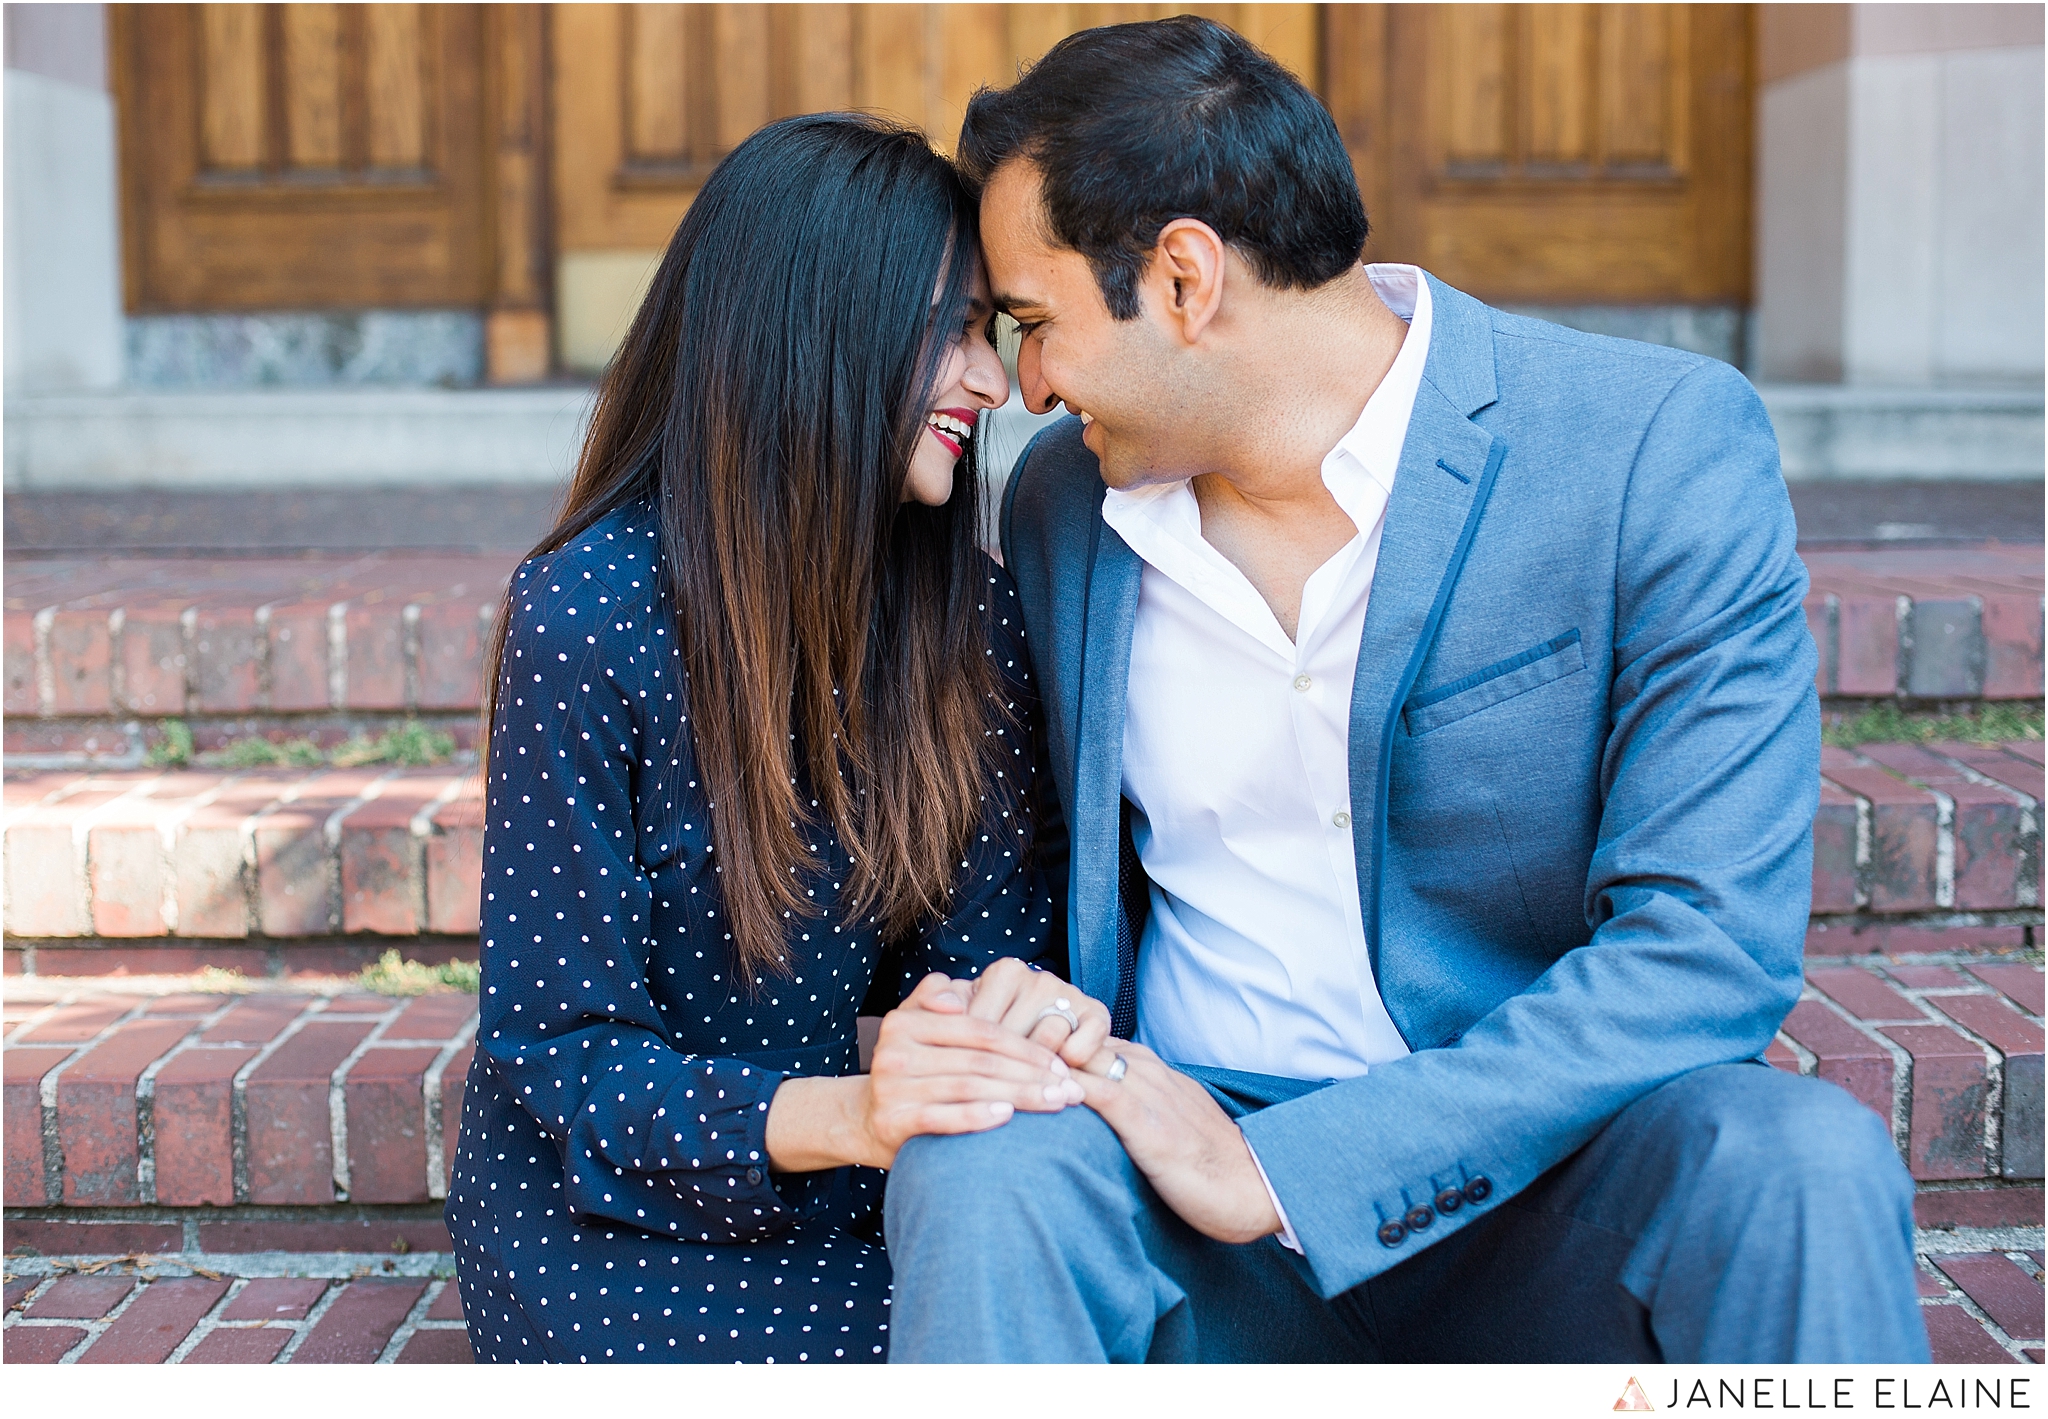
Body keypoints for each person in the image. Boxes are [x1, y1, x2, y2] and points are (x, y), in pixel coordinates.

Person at [880, 18, 1930, 1362]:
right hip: (1181, 1195)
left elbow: (1708, 951)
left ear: (1187, 280)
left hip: (1547, 1176)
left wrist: (1287, 1171)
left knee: (1797, 1161)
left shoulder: (1647, 451)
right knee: (983, 1173)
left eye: (1036, 324)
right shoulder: (1065, 507)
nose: (1021, 386)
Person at [445, 113, 1103, 1364]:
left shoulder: (963, 617)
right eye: (949, 332)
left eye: (989, 330)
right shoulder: (590, 620)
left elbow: (975, 965)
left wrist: (998, 1018)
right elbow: (564, 1059)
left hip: (873, 1179)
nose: (987, 380)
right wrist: (859, 1105)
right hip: (615, 1220)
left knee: (1053, 1312)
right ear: (816, 335)